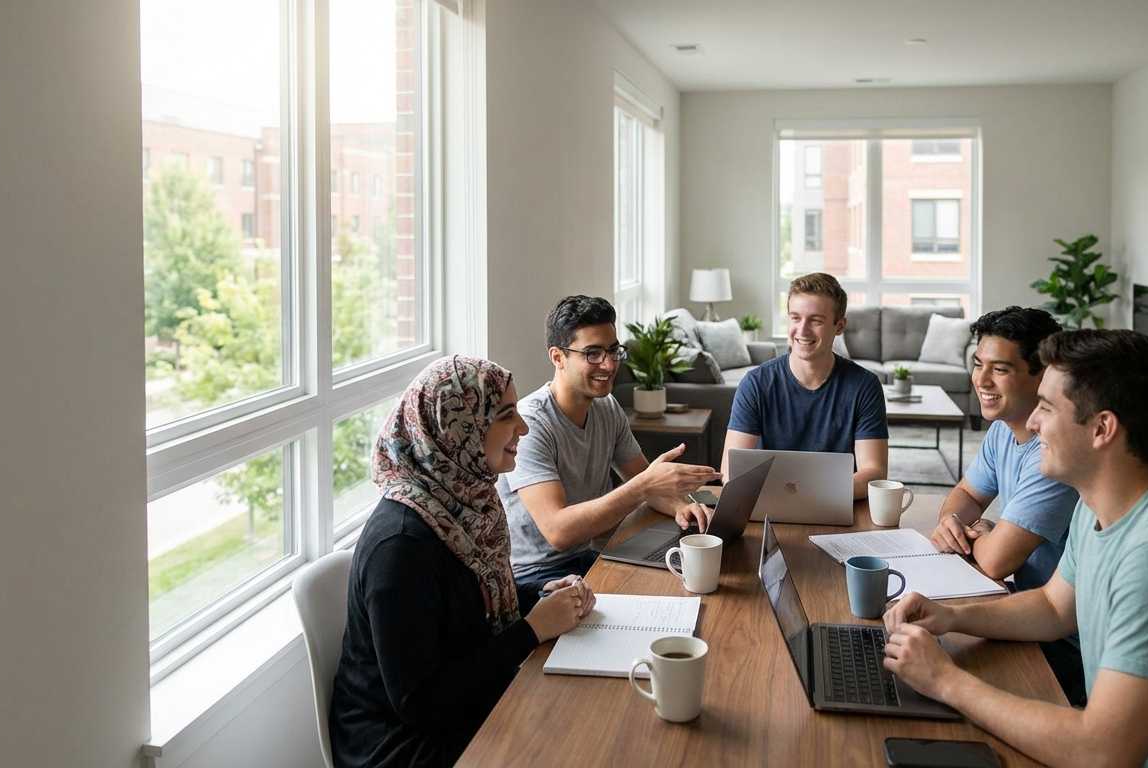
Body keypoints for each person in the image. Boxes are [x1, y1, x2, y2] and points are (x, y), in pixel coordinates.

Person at [883, 330, 1148, 767]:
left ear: (1102, 429)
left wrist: (945, 681)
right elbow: (1053, 608)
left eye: (1046, 408)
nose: (1032, 423)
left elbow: (1103, 752)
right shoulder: (1097, 507)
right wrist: (951, 616)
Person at [329, 355, 597, 768]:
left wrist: (536, 596)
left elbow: (469, 604)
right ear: (458, 428)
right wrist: (530, 630)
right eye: (507, 415)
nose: (523, 428)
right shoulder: (400, 545)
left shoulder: (465, 499)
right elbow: (419, 702)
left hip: (461, 705)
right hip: (401, 745)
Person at [497, 295, 720, 591]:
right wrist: (644, 486)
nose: (609, 363)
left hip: (591, 556)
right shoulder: (532, 425)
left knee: (687, 584)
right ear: (558, 357)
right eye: (592, 353)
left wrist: (681, 507)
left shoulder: (606, 406)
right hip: (537, 575)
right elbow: (558, 531)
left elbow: (643, 482)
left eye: (614, 350)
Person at [927, 307, 1085, 704]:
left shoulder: (1055, 456)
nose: (980, 380)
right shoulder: (1002, 429)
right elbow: (966, 495)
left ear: (1041, 374)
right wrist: (953, 521)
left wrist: (988, 534)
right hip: (1032, 608)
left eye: (999, 369)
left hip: (1068, 647)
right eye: (978, 364)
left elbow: (997, 562)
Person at [721, 272, 888, 498]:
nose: (802, 330)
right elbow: (731, 473)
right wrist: (803, 494)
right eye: (795, 318)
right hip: (769, 507)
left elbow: (874, 473)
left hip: (838, 508)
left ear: (839, 326)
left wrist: (806, 494)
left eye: (816, 320)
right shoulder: (755, 384)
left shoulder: (864, 386)